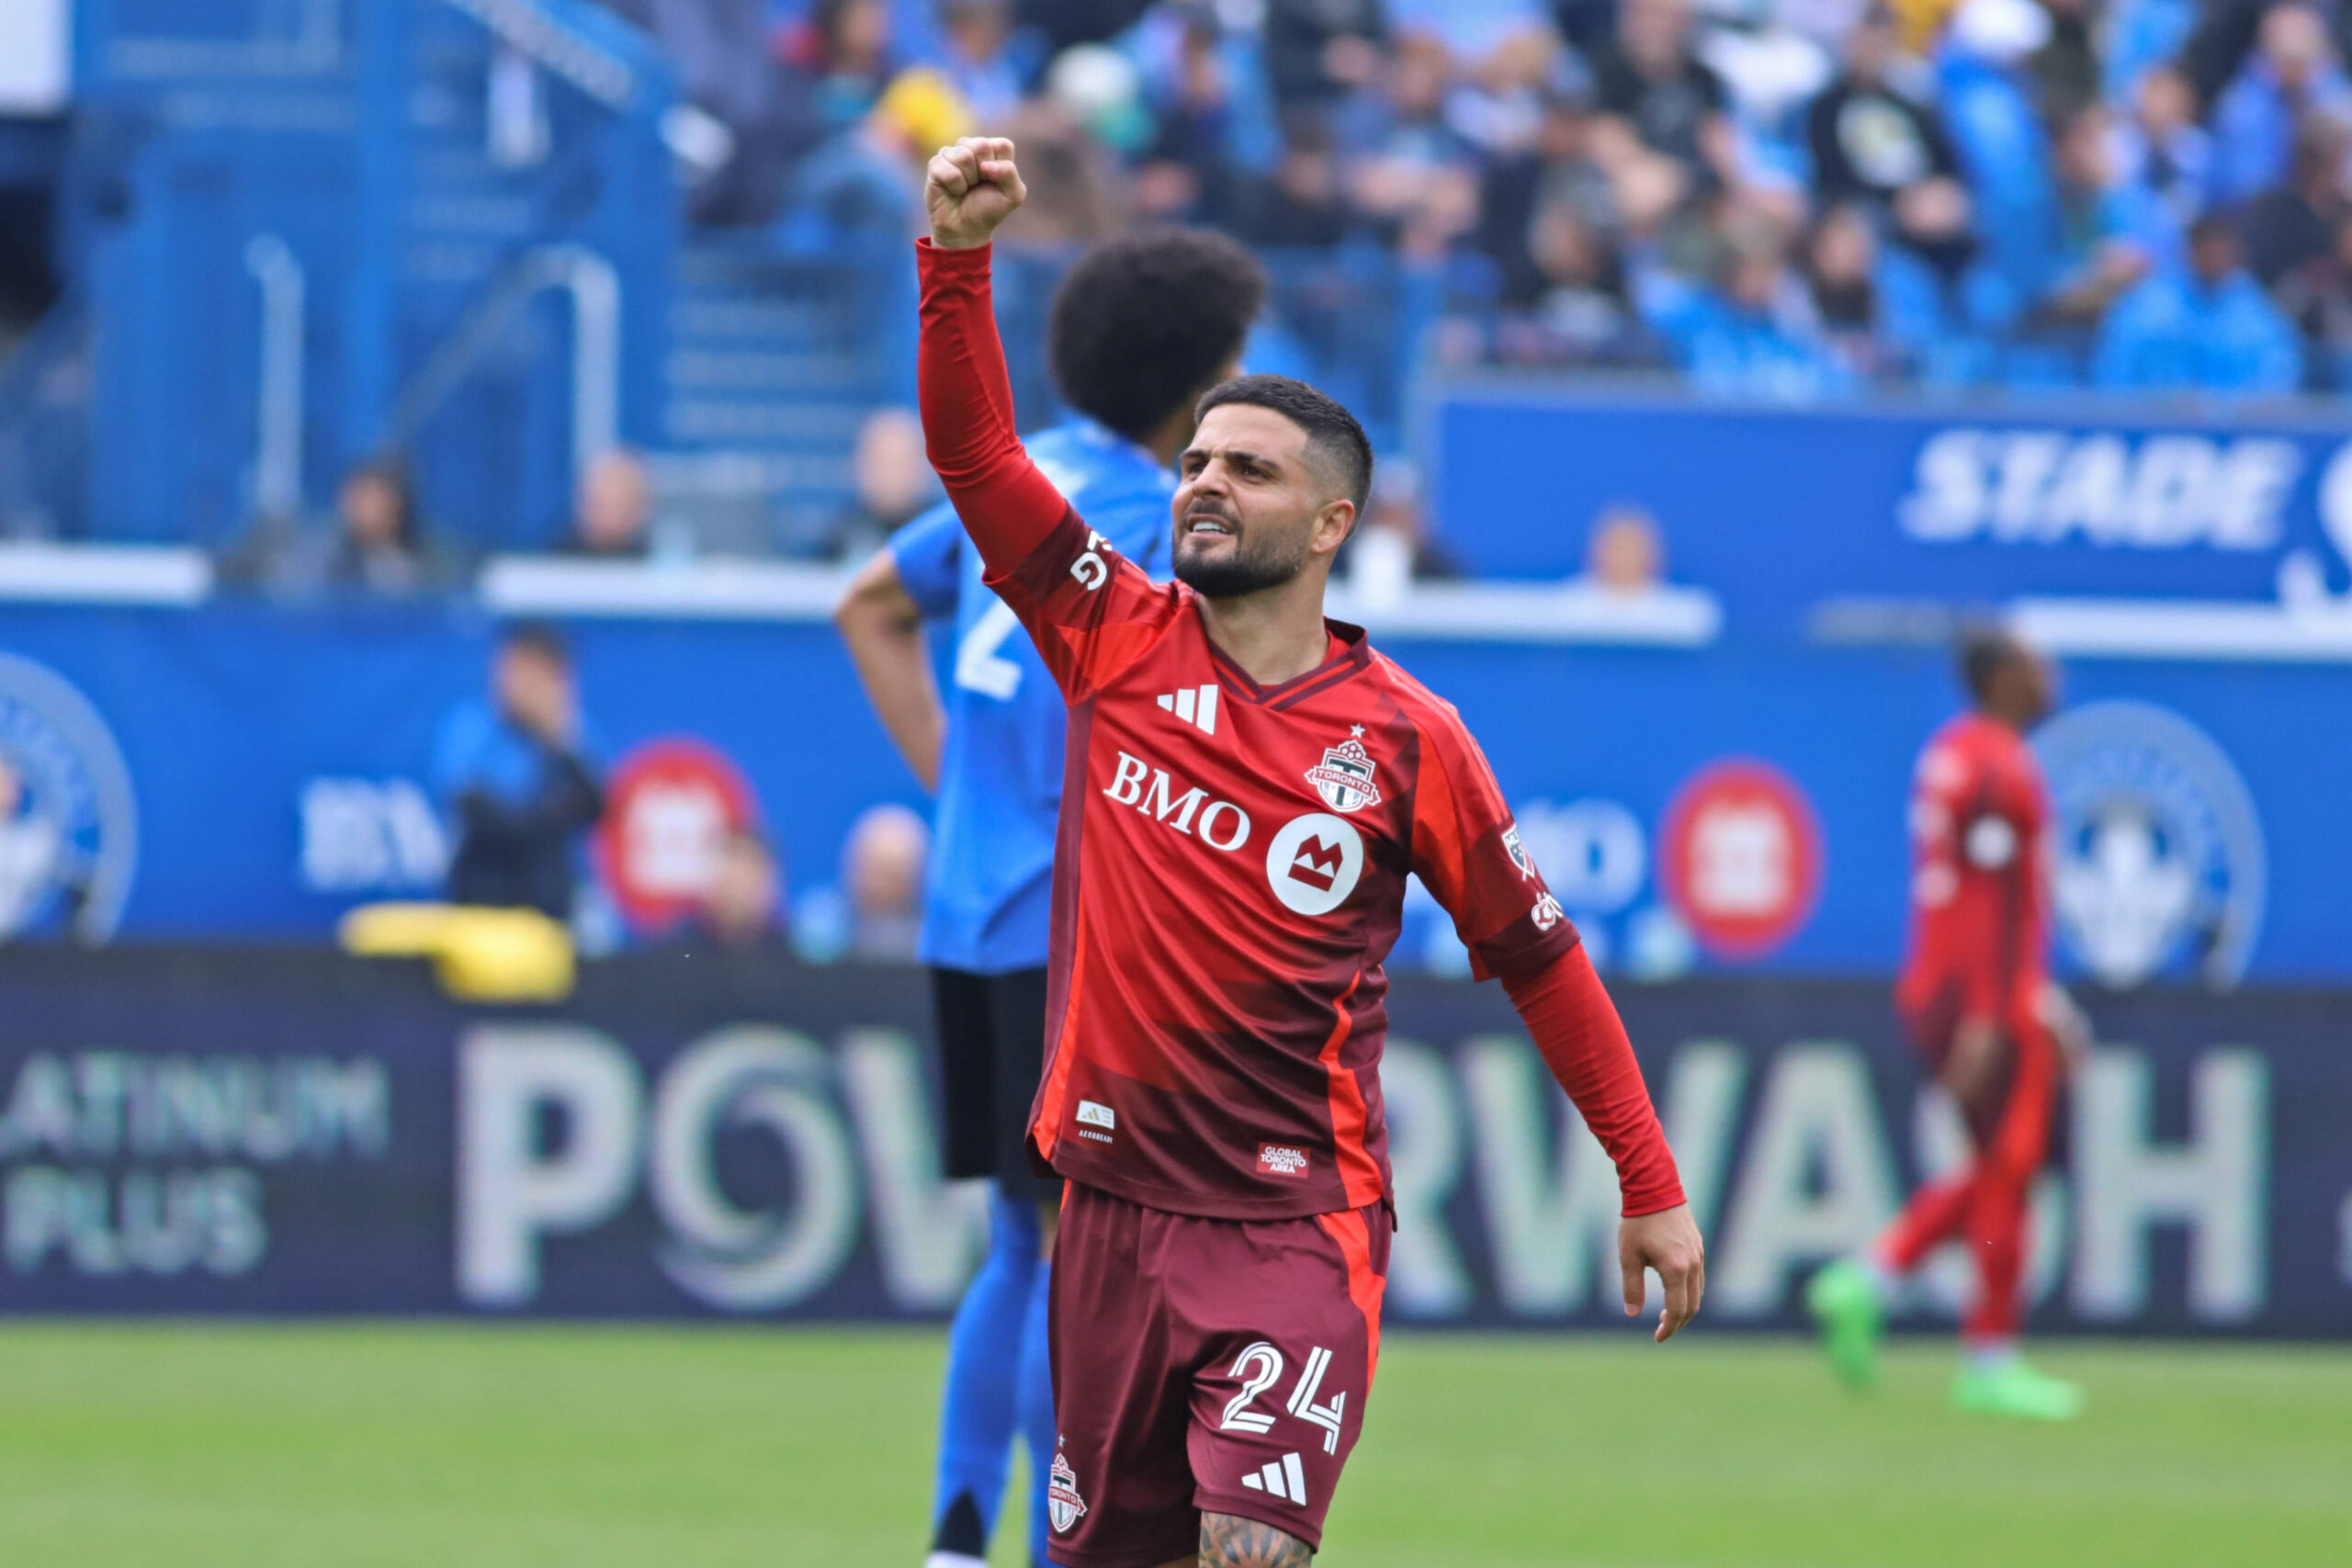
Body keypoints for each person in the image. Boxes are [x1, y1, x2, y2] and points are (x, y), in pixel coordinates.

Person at [914, 136, 1702, 1568]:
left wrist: (1645, 1175)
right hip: (1108, 1211)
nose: (1207, 484)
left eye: (1253, 471)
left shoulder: (1408, 738)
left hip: (1290, 1224)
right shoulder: (1109, 635)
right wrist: (953, 261)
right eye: (1201, 459)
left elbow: (1537, 955)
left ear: (1334, 521)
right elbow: (976, 454)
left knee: (1250, 1547)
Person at [833, 220, 1268, 1568]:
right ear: (1197, 389)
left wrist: (957, 789)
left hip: (971, 914)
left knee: (1017, 1243)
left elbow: (864, 602)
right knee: (1082, 1258)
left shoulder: (1011, 488)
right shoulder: (1153, 522)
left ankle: (959, 1539)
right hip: (1075, 932)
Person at [1807, 629, 2088, 1422]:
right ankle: (1977, 1347)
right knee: (2011, 1168)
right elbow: (2001, 911)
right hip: (1981, 993)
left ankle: (1875, 1279)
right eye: (2037, 664)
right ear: (2003, 678)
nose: (2051, 676)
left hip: (1941, 983)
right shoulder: (2002, 768)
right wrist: (2001, 1011)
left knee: (2002, 1163)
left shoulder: (1953, 752)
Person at [433, 624, 605, 919]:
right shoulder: (473, 727)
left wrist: (558, 743)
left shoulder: (570, 735)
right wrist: (551, 815)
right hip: (483, 898)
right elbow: (479, 814)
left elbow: (595, 807)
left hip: (552, 907)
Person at [2093, 214, 2303, 392]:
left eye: (2222, 250)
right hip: (2150, 429)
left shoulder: (2257, 312)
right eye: (2207, 249)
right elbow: (2115, 370)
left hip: (2241, 432)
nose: (2214, 257)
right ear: (2190, 250)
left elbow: (2280, 376)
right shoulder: (2148, 307)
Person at [558, 449, 655, 558]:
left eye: (619, 506)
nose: (609, 515)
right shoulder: (551, 563)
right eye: (600, 504)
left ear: (639, 507)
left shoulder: (661, 564)